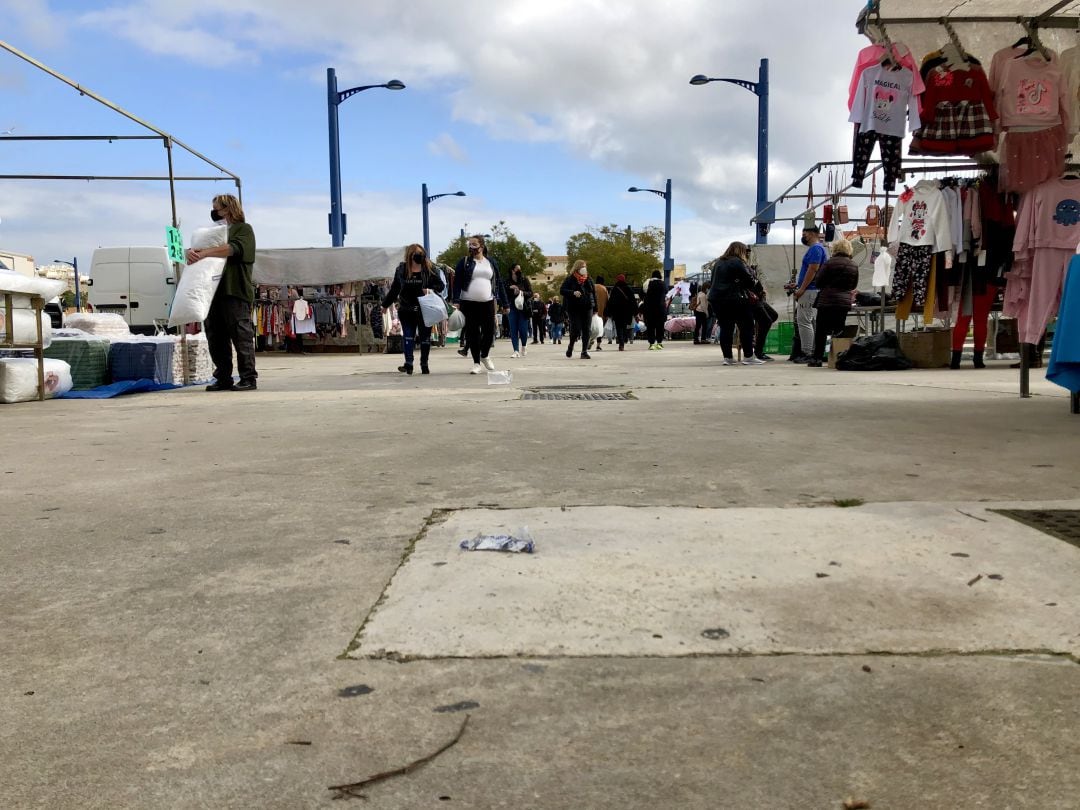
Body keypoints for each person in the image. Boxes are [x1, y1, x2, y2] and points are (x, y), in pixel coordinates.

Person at [188, 194, 257, 391]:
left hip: (234, 291)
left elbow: (234, 249)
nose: (214, 212)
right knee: (215, 337)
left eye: (217, 208)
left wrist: (204, 253)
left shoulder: (243, 229)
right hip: (212, 292)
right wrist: (190, 252)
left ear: (228, 209)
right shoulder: (214, 232)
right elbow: (196, 249)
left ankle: (248, 378)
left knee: (241, 335)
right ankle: (223, 377)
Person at [381, 244, 443, 375]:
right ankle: (408, 363)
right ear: (410, 255)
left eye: (421, 253)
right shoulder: (402, 269)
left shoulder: (429, 269)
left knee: (425, 338)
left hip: (425, 308)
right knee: (408, 336)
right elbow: (395, 289)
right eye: (416, 253)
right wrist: (385, 305)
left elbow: (440, 286)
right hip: (406, 308)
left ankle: (424, 364)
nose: (418, 256)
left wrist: (429, 289)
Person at [452, 235, 507, 374]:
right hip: (468, 302)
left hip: (487, 302)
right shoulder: (464, 262)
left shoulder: (491, 262)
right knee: (473, 333)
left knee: (490, 331)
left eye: (474, 244)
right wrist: (456, 301)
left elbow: (498, 282)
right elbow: (457, 282)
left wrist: (505, 303)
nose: (472, 247)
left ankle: (485, 355)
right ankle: (476, 362)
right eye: (470, 244)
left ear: (481, 246)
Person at [807, 238, 859, 367]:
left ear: (835, 249)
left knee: (821, 330)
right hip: (843, 303)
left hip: (827, 301)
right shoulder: (853, 265)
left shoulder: (829, 263)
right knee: (838, 330)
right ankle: (837, 357)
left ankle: (817, 358)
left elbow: (818, 281)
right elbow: (854, 285)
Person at [708, 242, 761, 365]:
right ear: (740, 251)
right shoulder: (737, 262)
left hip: (717, 300)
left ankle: (728, 358)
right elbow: (750, 281)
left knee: (726, 328)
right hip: (735, 299)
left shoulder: (718, 263)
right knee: (746, 326)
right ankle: (748, 356)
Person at [791, 223, 827, 363]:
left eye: (804, 234)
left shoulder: (815, 249)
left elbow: (812, 269)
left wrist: (801, 289)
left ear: (812, 233)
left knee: (804, 321)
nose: (803, 237)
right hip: (811, 289)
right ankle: (811, 350)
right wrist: (798, 284)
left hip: (809, 290)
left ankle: (807, 352)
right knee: (810, 321)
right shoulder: (818, 249)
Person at [560, 260, 596, 359]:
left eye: (585, 266)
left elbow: (593, 293)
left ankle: (584, 351)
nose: (584, 268)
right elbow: (562, 290)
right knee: (575, 329)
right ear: (577, 268)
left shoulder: (588, 278)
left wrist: (595, 307)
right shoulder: (570, 279)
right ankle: (571, 346)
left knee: (586, 329)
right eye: (582, 267)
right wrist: (573, 292)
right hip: (574, 308)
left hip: (587, 307)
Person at [747, 266, 779, 361]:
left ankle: (758, 344)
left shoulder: (746, 265)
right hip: (752, 299)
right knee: (766, 321)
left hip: (758, 297)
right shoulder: (739, 264)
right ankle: (758, 351)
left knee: (773, 315)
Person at [505, 263, 533, 358]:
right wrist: (510, 288)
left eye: (520, 269)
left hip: (523, 308)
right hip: (512, 307)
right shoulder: (507, 281)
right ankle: (516, 350)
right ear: (512, 270)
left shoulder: (524, 280)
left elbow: (530, 293)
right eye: (517, 269)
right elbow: (503, 292)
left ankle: (524, 346)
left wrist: (521, 292)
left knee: (523, 330)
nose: (519, 270)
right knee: (513, 329)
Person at [605, 273, 637, 351]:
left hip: (617, 313)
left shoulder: (615, 289)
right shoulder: (628, 288)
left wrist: (608, 312)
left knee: (618, 327)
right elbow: (633, 301)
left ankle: (621, 343)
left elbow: (610, 302)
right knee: (625, 327)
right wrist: (635, 311)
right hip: (626, 312)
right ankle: (624, 340)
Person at [642, 270, 668, 350]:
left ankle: (652, 344)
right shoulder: (663, 284)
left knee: (651, 326)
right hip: (660, 309)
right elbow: (666, 292)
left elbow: (642, 294)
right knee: (660, 326)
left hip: (650, 309)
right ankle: (659, 343)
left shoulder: (647, 283)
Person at [592, 275, 609, 350]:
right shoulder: (604, 289)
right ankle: (598, 345)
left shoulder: (592, 287)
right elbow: (607, 301)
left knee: (591, 327)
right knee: (600, 329)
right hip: (601, 313)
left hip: (592, 312)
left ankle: (590, 340)